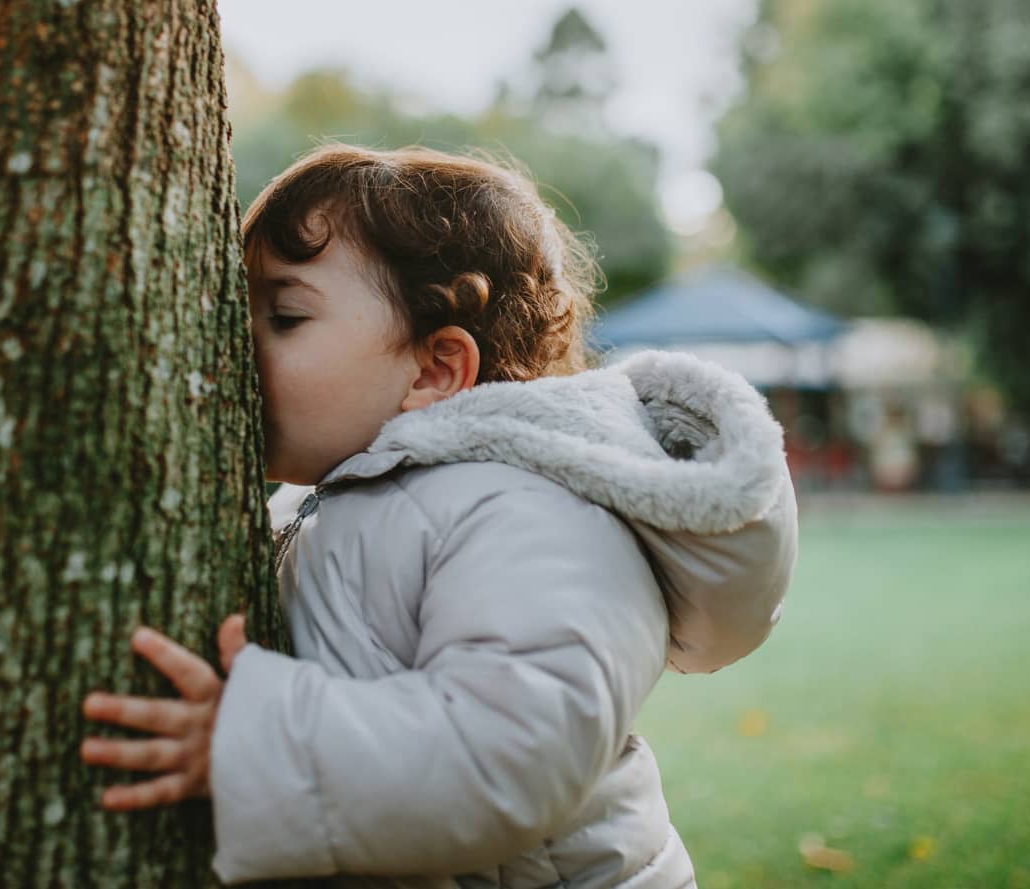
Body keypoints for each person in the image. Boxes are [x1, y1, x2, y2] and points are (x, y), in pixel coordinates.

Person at [77, 144, 797, 888]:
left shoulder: (529, 511)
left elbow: (509, 758)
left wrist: (258, 742)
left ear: (434, 368)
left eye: (285, 316)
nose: (235, 344)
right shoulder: (330, 500)